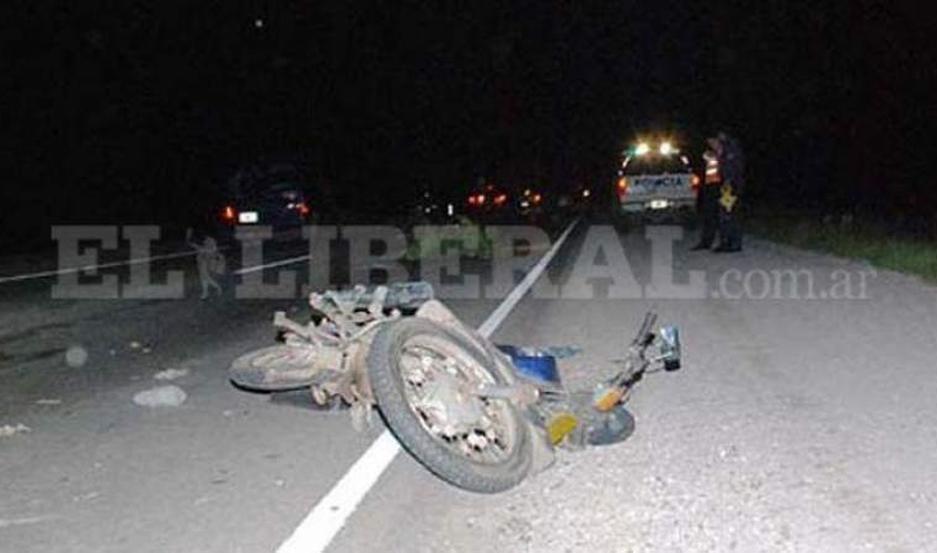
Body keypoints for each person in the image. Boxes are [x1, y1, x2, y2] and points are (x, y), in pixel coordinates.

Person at [713, 131, 745, 252]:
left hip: (730, 187)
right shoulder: (727, 149)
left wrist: (727, 183)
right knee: (726, 215)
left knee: (728, 215)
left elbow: (731, 169)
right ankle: (727, 242)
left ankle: (731, 243)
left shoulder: (730, 150)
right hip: (728, 186)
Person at [691, 137, 723, 250]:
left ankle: (725, 242)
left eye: (713, 141)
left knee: (722, 215)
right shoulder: (709, 154)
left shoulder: (723, 153)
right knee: (708, 215)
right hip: (709, 186)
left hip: (721, 187)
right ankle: (706, 241)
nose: (711, 144)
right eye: (709, 142)